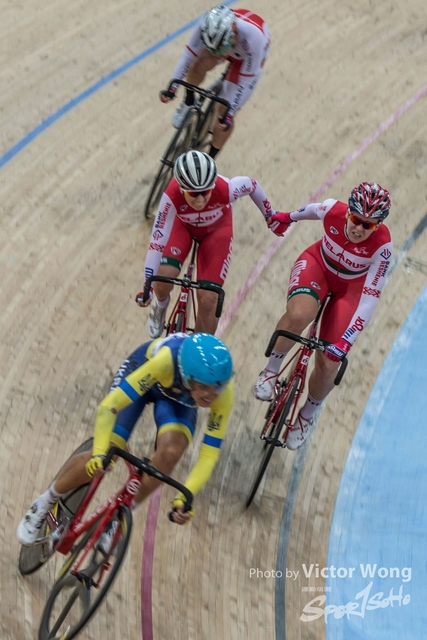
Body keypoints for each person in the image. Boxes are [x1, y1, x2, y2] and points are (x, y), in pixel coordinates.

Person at [17, 332, 234, 547]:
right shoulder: (165, 362)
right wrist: (100, 453)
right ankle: (45, 501)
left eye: (217, 388)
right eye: (204, 387)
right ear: (187, 377)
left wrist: (186, 496)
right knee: (108, 452)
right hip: (143, 374)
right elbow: (108, 407)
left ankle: (120, 516)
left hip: (177, 401)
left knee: (170, 454)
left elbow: (209, 454)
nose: (211, 396)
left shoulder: (222, 392)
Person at [254, 182, 393, 450]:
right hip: (318, 265)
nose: (359, 228)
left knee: (330, 362)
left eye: (368, 225)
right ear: (348, 212)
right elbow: (307, 211)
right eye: (356, 220)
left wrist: (345, 343)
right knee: (299, 314)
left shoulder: (383, 248)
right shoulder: (332, 209)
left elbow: (369, 299)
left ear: (378, 225)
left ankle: (307, 414)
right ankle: (270, 371)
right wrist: (285, 217)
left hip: (350, 290)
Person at [136, 149, 282, 337]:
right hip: (183, 227)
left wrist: (270, 215)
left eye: (205, 192)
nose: (200, 199)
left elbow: (252, 185)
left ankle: (199, 348)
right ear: (181, 188)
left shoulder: (225, 188)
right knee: (162, 277)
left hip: (216, 231)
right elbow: (157, 243)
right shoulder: (171, 196)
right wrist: (147, 287)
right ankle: (161, 304)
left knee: (209, 300)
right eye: (193, 193)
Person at [160, 5, 270, 158]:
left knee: (223, 114)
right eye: (215, 50)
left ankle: (209, 159)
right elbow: (188, 57)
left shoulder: (254, 39)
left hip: (247, 58)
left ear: (234, 35)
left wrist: (229, 113)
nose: (219, 55)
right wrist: (173, 88)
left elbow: (246, 82)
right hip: (222, 42)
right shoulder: (205, 26)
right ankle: (188, 100)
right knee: (198, 64)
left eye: (221, 49)